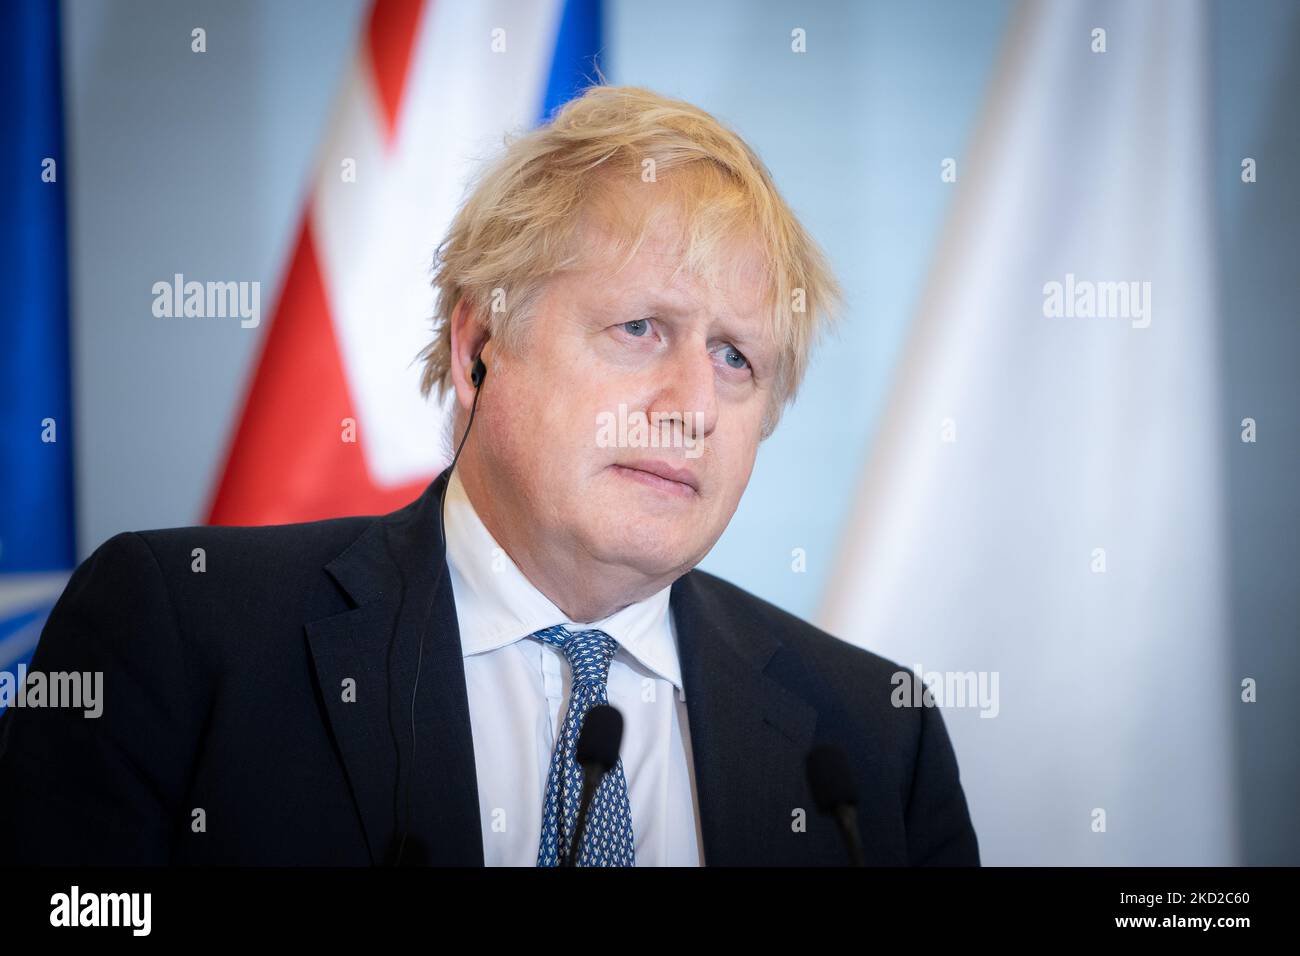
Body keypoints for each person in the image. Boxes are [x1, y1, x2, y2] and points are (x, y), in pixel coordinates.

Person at [0, 85, 978, 866]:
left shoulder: (872, 739)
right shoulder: (183, 632)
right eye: (641, 328)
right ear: (480, 344)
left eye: (736, 358)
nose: (694, 403)